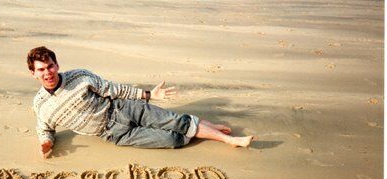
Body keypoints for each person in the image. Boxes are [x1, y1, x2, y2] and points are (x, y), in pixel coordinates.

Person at [27, 46, 253, 159]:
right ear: (33, 73)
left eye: (50, 66)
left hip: (122, 109)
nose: (48, 73)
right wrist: (46, 144)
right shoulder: (41, 105)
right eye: (41, 70)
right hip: (114, 134)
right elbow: (44, 128)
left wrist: (149, 95)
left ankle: (229, 139)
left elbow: (114, 90)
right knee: (172, 139)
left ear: (57, 65)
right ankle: (208, 127)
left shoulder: (80, 76)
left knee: (176, 122)